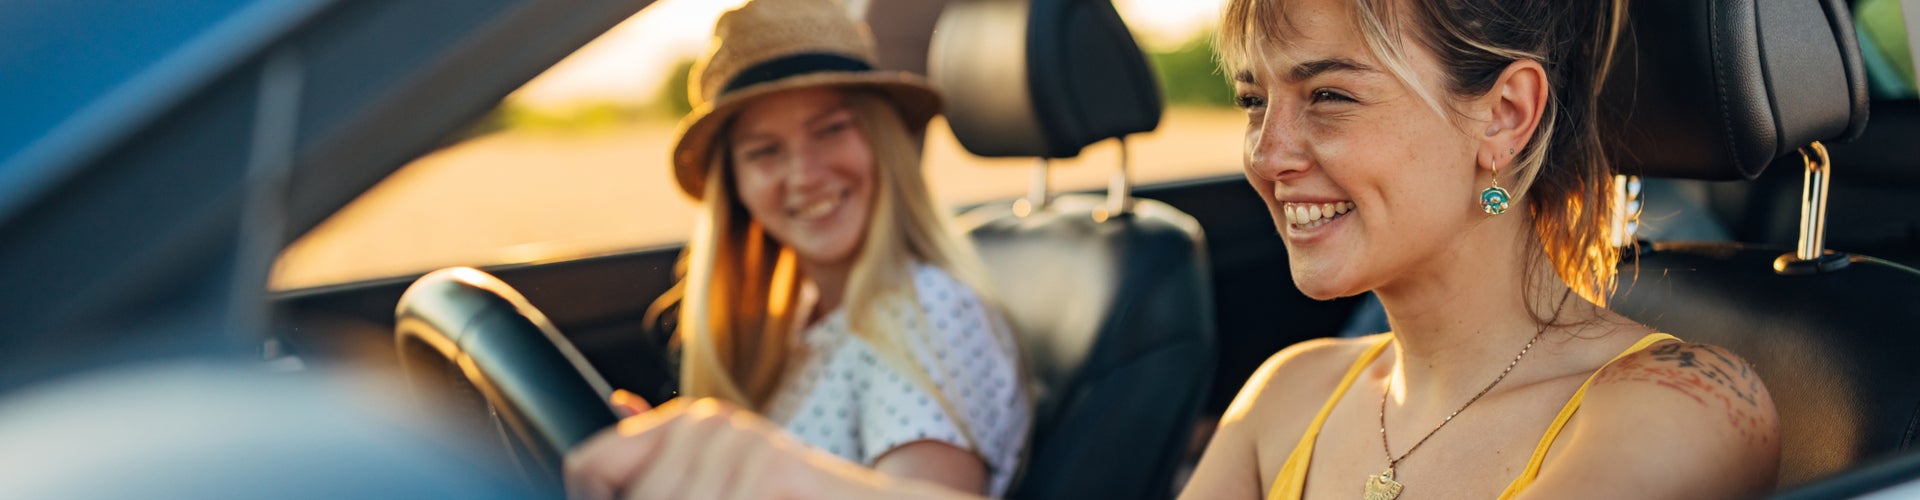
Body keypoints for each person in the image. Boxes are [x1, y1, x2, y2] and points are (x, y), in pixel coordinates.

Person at [568, 0, 1782, 498]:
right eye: (1256, 99)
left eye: (1329, 97)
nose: (1267, 150)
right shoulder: (1287, 393)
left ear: (1504, 115)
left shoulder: (1673, 410)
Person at [565, 0, 1029, 497]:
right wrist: (673, 459)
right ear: (736, 187)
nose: (805, 175)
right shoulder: (799, 324)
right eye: (764, 151)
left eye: (831, 130)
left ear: (881, 142)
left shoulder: (927, 310)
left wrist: (777, 475)